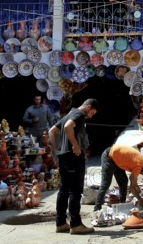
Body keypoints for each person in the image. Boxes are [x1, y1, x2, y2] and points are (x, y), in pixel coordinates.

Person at [49, 98, 99, 234]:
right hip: (73, 157)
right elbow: (67, 127)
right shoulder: (79, 114)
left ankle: (60, 223)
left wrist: (55, 151)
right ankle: (76, 224)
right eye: (93, 112)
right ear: (88, 107)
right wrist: (75, 145)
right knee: (75, 191)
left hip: (63, 156)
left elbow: (52, 131)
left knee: (63, 189)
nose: (91, 116)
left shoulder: (68, 114)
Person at [93, 144, 143, 212]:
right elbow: (132, 187)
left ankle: (122, 206)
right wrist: (140, 199)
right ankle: (96, 209)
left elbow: (133, 182)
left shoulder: (141, 162)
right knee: (105, 184)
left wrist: (140, 192)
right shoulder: (139, 165)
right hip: (109, 157)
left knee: (123, 182)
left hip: (117, 160)